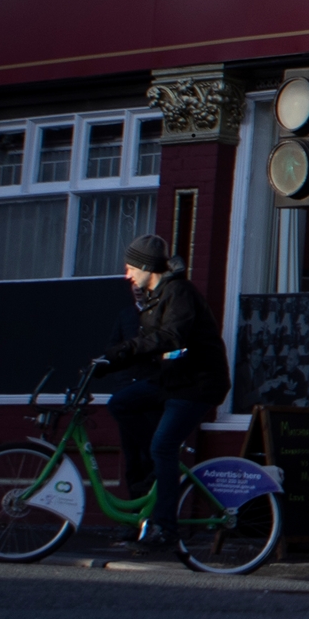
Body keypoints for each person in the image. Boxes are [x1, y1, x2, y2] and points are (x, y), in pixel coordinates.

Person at [95, 233, 227, 550]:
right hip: (173, 379)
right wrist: (104, 363)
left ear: (145, 266)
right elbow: (144, 346)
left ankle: (166, 528)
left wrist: (120, 352)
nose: (127, 275)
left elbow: (170, 337)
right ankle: (160, 464)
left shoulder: (179, 292)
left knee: (162, 447)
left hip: (198, 383)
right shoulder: (155, 297)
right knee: (121, 404)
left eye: (130, 267)